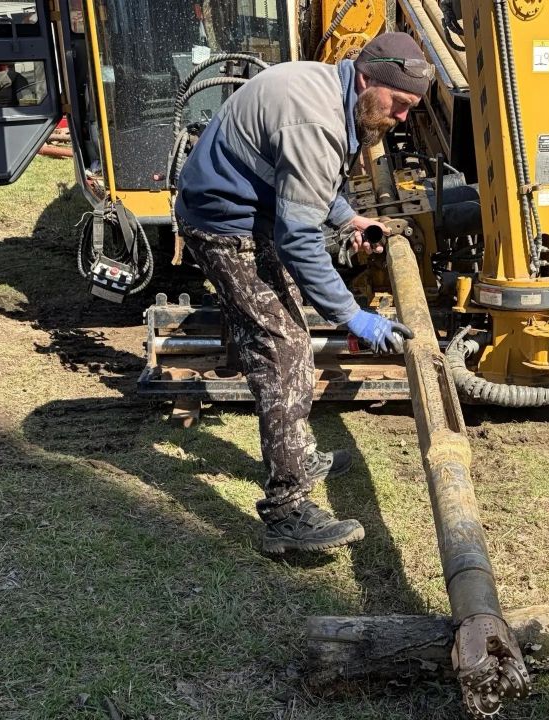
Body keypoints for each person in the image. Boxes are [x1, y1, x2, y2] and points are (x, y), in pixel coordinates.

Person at [175, 33, 434, 553]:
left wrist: (347, 217)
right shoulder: (316, 119)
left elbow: (307, 184)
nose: (403, 118)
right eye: (401, 105)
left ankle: (292, 448)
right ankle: (286, 514)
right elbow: (298, 237)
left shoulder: (332, 94)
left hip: (252, 215)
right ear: (369, 81)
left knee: (282, 333)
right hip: (222, 225)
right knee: (284, 347)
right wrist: (351, 315)